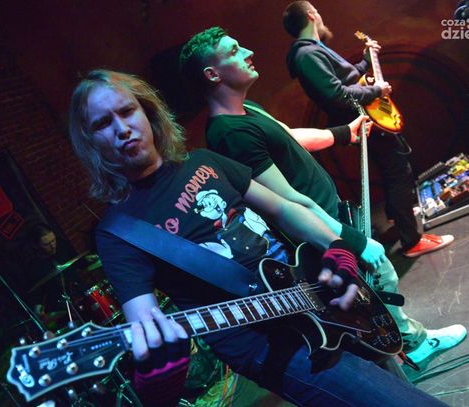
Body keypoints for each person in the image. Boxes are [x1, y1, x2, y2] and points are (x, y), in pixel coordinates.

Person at [68, 69, 447, 406]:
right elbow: (144, 322)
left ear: (148, 113)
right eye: (102, 124)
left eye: (127, 111)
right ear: (91, 142)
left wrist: (336, 247)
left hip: (320, 293)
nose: (121, 129)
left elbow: (282, 208)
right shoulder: (118, 232)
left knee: (401, 386)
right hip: (275, 348)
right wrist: (158, 370)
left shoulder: (203, 161)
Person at [178, 26, 466, 365]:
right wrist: (348, 239)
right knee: (379, 275)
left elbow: (288, 136)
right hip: (318, 227)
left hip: (328, 214)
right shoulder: (230, 132)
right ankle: (414, 345)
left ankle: (401, 348)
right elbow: (286, 200)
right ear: (212, 75)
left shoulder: (245, 109)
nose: (248, 52)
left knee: (373, 283)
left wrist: (343, 133)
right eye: (233, 51)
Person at [282, 1, 455, 258]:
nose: (320, 14)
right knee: (398, 171)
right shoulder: (307, 55)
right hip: (361, 118)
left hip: (366, 116)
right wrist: (377, 90)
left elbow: (349, 79)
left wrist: (366, 60)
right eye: (316, 10)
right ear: (310, 15)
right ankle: (412, 241)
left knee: (392, 170)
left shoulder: (315, 50)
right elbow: (336, 95)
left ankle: (401, 221)